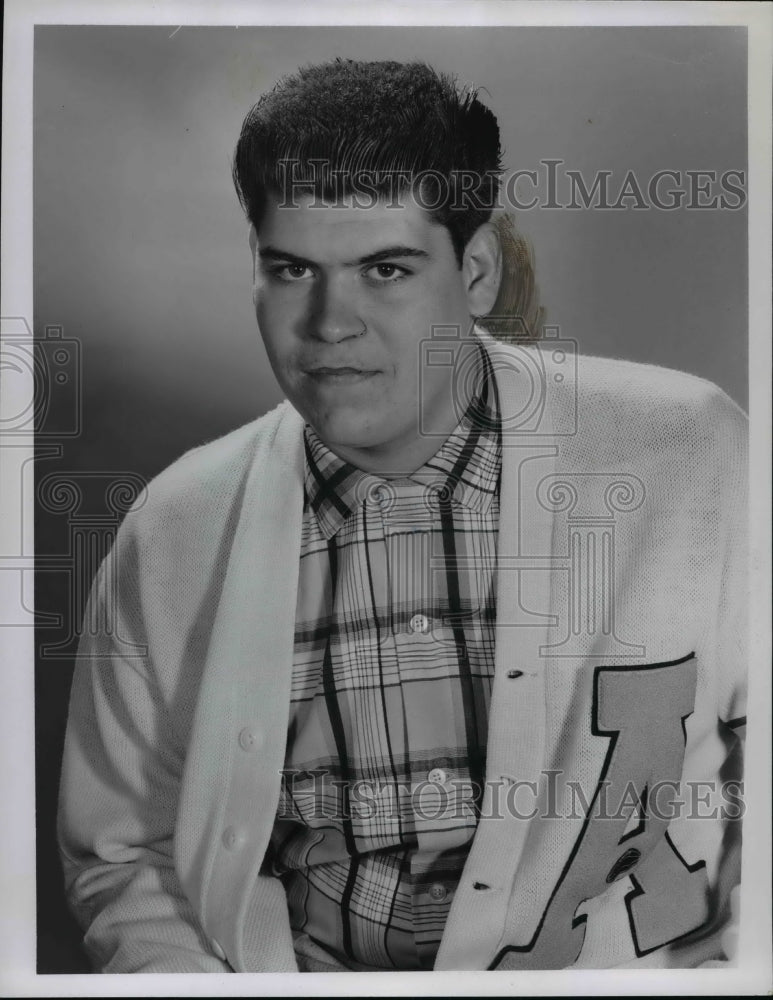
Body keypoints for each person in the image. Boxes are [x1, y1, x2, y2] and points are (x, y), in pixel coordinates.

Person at [57, 58, 747, 973]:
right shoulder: (175, 525)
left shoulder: (688, 450)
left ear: (474, 272)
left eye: (385, 268)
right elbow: (124, 853)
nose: (330, 322)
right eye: (291, 268)